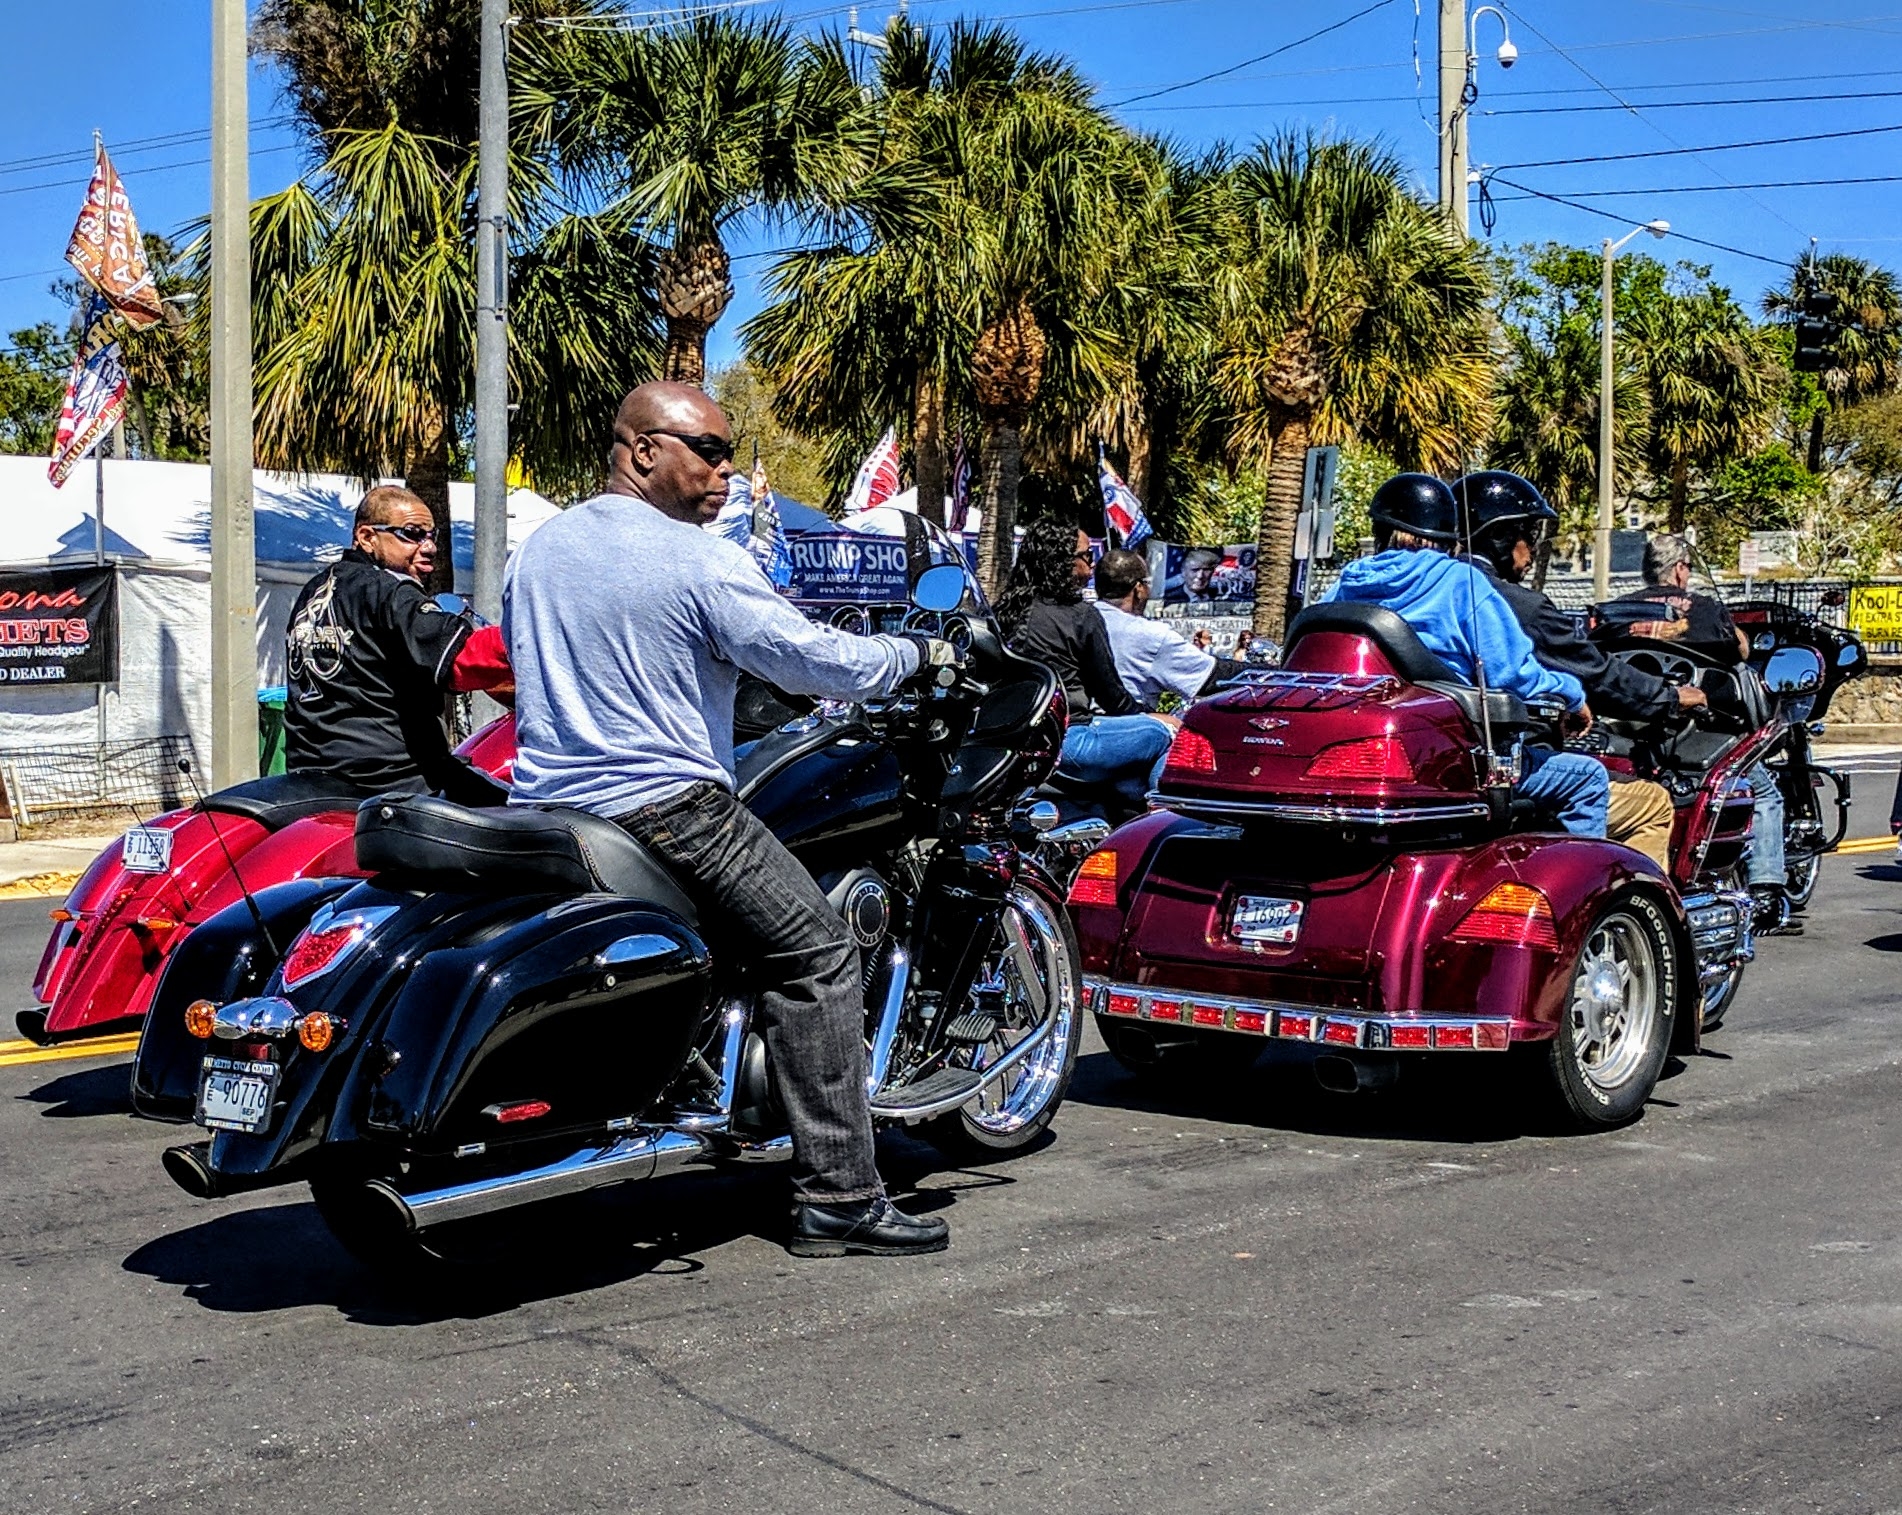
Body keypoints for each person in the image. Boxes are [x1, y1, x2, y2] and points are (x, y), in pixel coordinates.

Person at [504, 381, 956, 1259]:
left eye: (726, 449)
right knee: (820, 949)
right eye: (706, 449)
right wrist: (914, 652)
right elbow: (812, 656)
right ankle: (841, 1198)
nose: (724, 469)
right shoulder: (696, 558)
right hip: (667, 805)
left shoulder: (544, 547)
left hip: (549, 806)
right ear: (642, 451)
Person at [1327, 474, 1611, 840]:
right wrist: (1572, 695)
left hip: (1356, 751)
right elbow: (1513, 675)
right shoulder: (1461, 582)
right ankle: (1582, 892)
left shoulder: (1345, 584)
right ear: (1450, 535)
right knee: (1588, 778)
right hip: (1448, 758)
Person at [1452, 471, 1693, 872]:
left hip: (1443, 763)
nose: (1531, 550)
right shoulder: (1516, 605)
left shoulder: (1427, 593)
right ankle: (1618, 907)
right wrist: (1668, 697)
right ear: (1501, 538)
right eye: (1528, 535)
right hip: (1501, 769)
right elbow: (1595, 674)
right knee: (1650, 803)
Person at [283, 484, 503, 799]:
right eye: (412, 534)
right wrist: (532, 645)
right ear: (367, 537)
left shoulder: (314, 591)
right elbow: (466, 656)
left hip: (314, 777)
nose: (429, 547)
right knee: (534, 820)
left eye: (431, 536)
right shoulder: (390, 592)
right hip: (394, 782)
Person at [1619, 533, 1790, 924]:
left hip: (1629, 730)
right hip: (1695, 731)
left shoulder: (1618, 608)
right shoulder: (1704, 608)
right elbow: (1740, 651)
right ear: (1680, 570)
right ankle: (1766, 888)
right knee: (1761, 791)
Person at [1000, 521, 1177, 812]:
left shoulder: (1006, 611)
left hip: (1019, 742)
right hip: (1069, 741)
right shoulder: (1080, 616)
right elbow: (1111, 695)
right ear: (1063, 562)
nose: (1092, 568)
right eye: (1087, 558)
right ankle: (1155, 823)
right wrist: (1156, 719)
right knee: (1171, 736)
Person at [1093, 548, 1241, 709]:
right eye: (1147, 583)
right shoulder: (1149, 634)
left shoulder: (1076, 620)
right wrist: (1270, 673)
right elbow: (1214, 677)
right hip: (1128, 727)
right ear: (1138, 588)